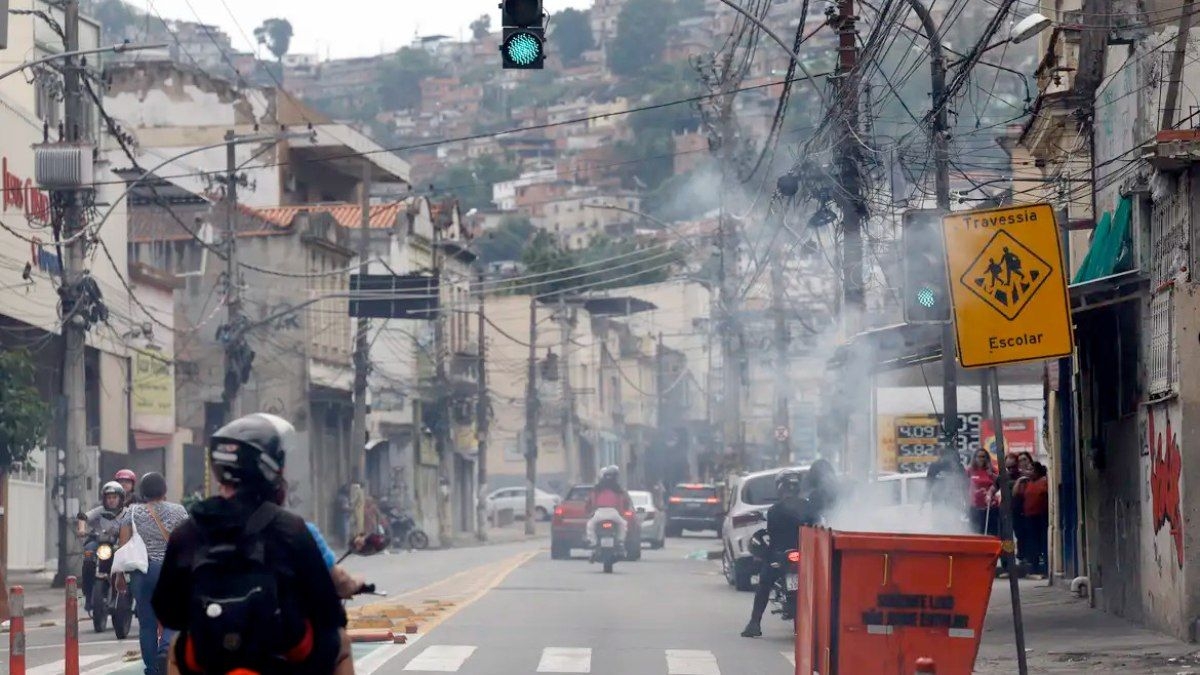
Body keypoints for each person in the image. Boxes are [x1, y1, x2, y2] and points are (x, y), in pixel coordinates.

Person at [154, 413, 347, 675]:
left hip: (211, 661)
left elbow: (168, 612)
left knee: (178, 647)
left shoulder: (188, 532)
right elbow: (328, 610)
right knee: (340, 643)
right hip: (281, 658)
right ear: (268, 468)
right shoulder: (291, 528)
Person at [117, 473, 188, 675]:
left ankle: (152, 669)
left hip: (142, 573)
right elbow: (188, 541)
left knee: (146, 624)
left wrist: (119, 575)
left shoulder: (130, 512)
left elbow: (123, 545)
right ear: (164, 491)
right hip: (169, 572)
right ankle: (166, 649)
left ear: (142, 492)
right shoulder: (179, 511)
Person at [740, 468, 824, 638]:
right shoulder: (809, 507)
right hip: (806, 556)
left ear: (780, 487)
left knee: (764, 584)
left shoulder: (774, 510)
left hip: (781, 556)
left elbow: (773, 536)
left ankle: (754, 623)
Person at [77, 481, 126, 612]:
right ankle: (87, 594)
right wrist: (82, 529)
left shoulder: (127, 513)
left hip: (117, 544)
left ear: (120, 498)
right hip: (98, 542)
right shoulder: (99, 511)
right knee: (88, 555)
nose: (111, 501)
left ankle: (124, 594)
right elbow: (83, 517)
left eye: (114, 497)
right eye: (108, 498)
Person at [584, 465, 633, 558]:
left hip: (599, 512)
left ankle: (594, 543)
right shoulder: (618, 489)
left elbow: (590, 502)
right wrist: (624, 512)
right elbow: (625, 502)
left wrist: (589, 512)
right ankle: (620, 542)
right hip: (614, 513)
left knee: (590, 525)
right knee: (623, 524)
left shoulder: (597, 488)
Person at [1019, 462, 1050, 577]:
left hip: (1041, 516)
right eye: (1028, 470)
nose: (1029, 472)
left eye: (1031, 470)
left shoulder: (1044, 481)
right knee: (1033, 543)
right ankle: (1034, 568)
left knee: (1043, 542)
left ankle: (1046, 568)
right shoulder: (1028, 483)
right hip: (1029, 516)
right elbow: (1018, 494)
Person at [967, 449, 999, 536]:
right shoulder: (970, 470)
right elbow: (964, 485)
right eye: (979, 456)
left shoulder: (993, 470)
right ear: (975, 458)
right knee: (975, 532)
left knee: (991, 533)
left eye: (983, 456)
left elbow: (999, 483)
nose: (981, 459)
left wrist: (991, 474)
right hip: (975, 506)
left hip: (990, 506)